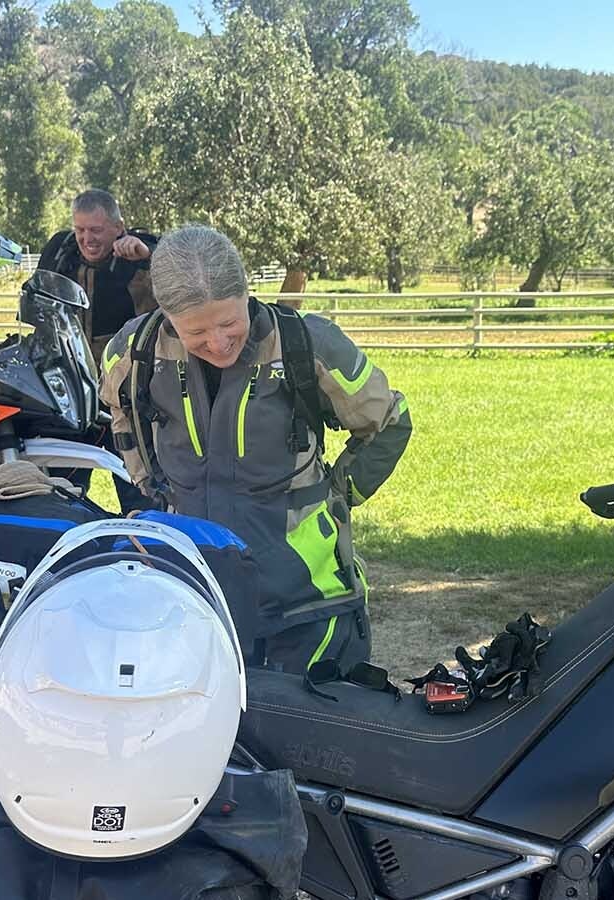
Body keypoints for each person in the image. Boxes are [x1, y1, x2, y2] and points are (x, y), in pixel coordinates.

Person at [102, 225, 412, 674]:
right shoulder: (133, 351)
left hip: (310, 603)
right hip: (193, 598)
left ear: (248, 292)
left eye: (230, 322)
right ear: (168, 316)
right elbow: (120, 411)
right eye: (196, 332)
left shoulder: (308, 344)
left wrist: (339, 495)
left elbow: (390, 420)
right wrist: (151, 482)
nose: (218, 342)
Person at [36, 189, 159, 510]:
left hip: (128, 399)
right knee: (59, 491)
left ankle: (147, 547)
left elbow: (179, 267)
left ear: (119, 227)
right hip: (70, 396)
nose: (86, 239)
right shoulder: (62, 253)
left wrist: (147, 255)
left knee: (140, 491)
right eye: (80, 230)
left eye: (96, 230)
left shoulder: (139, 255)